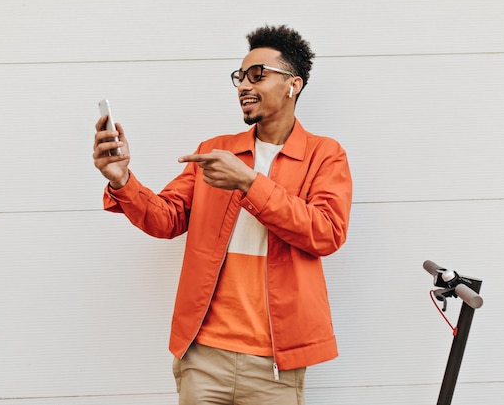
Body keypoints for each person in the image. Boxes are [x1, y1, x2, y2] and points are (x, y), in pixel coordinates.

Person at [93, 25, 352, 405]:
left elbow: (326, 233)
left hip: (275, 364)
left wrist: (250, 183)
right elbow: (165, 219)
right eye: (240, 77)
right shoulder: (215, 151)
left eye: (257, 75)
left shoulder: (324, 155)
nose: (244, 86)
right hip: (204, 356)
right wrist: (122, 180)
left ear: (292, 85)